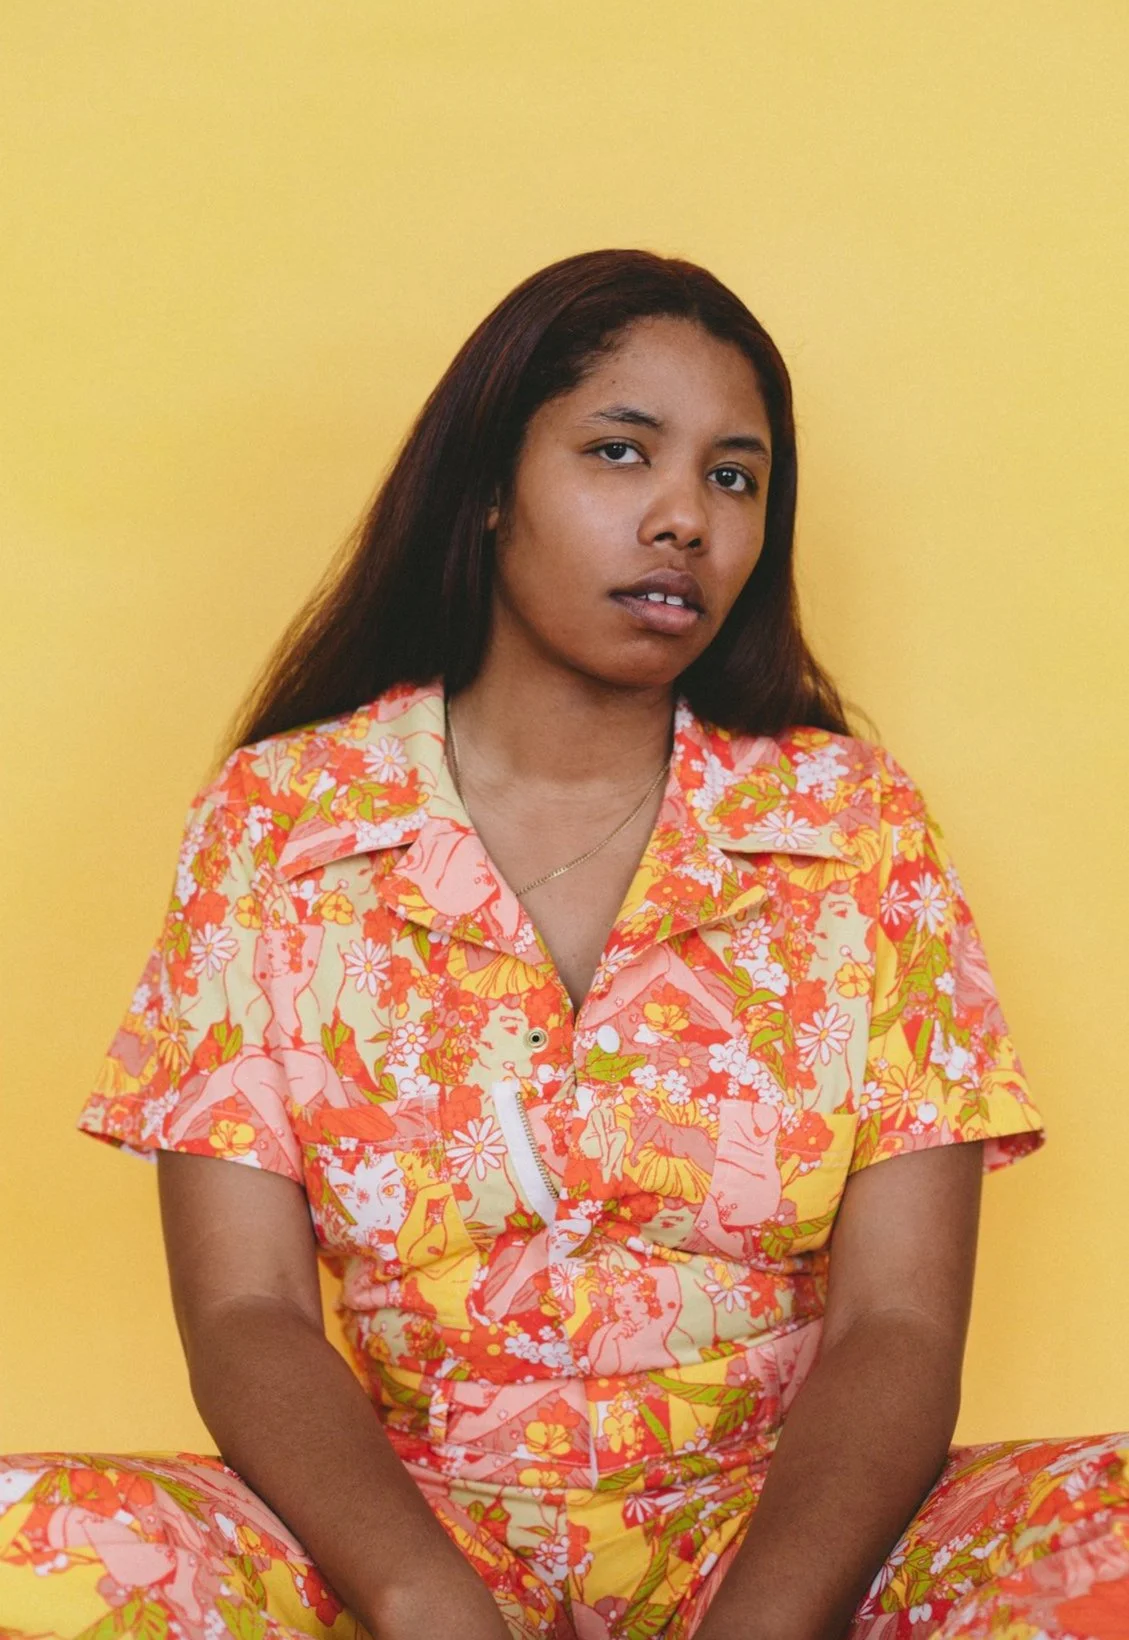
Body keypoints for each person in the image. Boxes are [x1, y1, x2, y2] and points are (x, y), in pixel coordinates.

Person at [2, 250, 1126, 1640]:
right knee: (34, 1550)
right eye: (620, 451)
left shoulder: (853, 827)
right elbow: (248, 1309)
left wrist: (765, 1626)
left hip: (790, 1550)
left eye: (734, 478)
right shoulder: (283, 822)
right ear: (489, 486)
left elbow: (898, 1322)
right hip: (393, 1547)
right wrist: (423, 1604)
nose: (684, 519)